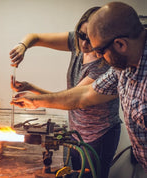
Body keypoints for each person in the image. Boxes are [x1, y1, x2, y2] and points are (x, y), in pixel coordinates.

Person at [10, 2, 147, 173]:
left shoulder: (114, 66)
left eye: (100, 50)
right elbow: (85, 95)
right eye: (82, 36)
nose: (97, 55)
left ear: (120, 44)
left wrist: (37, 99)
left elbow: (81, 100)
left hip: (99, 135)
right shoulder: (123, 67)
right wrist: (36, 98)